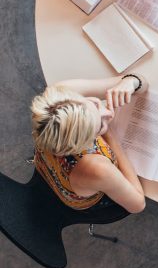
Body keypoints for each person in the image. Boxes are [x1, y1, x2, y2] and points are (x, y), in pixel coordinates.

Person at [31, 73, 147, 213]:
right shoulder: (97, 167)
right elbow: (138, 205)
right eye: (100, 126)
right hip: (80, 197)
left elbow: (140, 81)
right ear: (84, 145)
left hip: (46, 164)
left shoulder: (60, 92)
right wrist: (110, 135)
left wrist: (131, 83)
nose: (109, 114)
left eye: (95, 103)